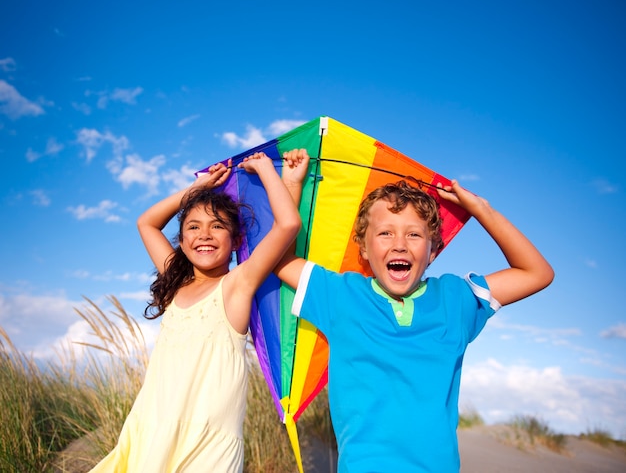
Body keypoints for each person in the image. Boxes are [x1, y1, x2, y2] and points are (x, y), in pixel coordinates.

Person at [277, 149, 554, 473]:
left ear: (433, 249)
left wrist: (480, 209)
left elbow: (537, 273)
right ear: (363, 248)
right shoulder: (341, 295)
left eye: (414, 234)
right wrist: (291, 185)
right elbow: (280, 259)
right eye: (385, 233)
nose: (399, 244)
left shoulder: (456, 299)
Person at [89, 153, 302, 473]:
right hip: (152, 427)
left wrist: (269, 172)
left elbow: (288, 225)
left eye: (217, 226)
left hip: (208, 443)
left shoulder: (236, 286)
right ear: (182, 241)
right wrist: (197, 188)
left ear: (235, 241)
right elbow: (145, 222)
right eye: (193, 227)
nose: (204, 234)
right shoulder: (176, 283)